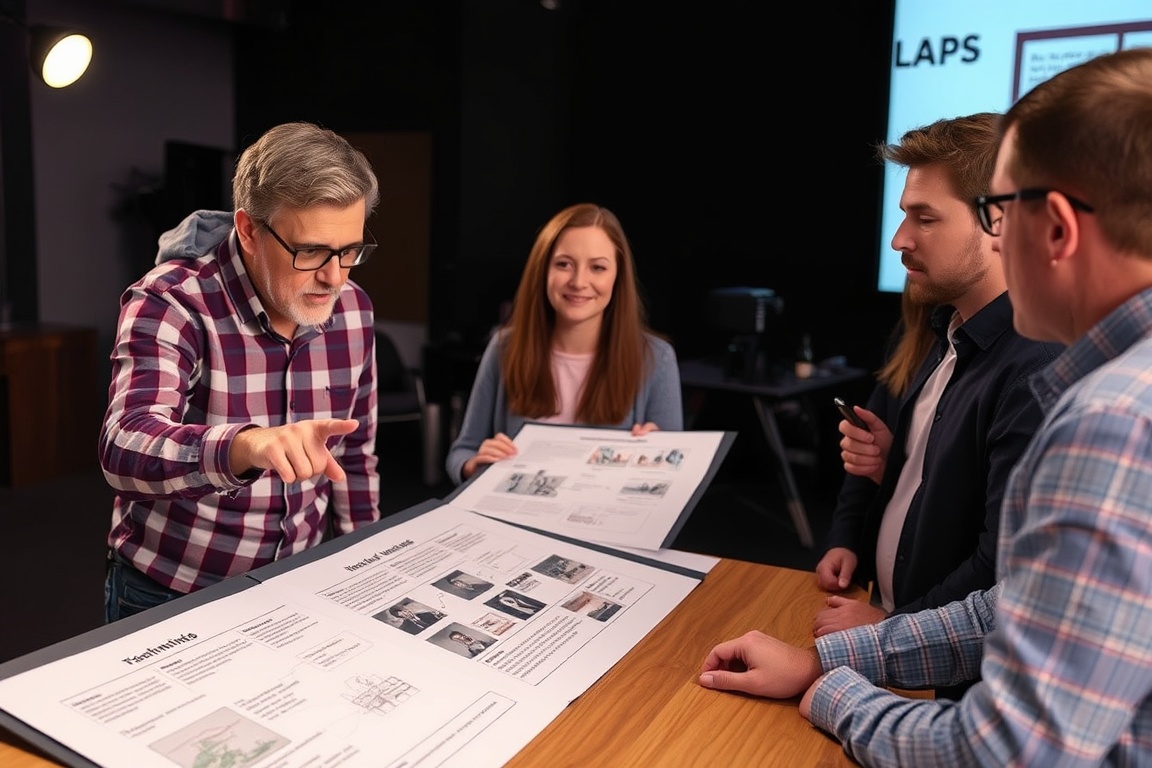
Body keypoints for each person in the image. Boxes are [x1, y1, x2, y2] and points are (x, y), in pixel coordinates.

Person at [699, 47, 1152, 765]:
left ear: (1057, 227)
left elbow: (1005, 754)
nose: (998, 237)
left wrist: (835, 693)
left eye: (1001, 211)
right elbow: (1019, 607)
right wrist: (834, 659)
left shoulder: (1114, 419)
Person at [100, 121, 382, 622]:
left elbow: (354, 455)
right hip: (172, 593)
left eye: (349, 251)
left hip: (298, 583)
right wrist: (246, 446)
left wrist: (368, 563)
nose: (334, 277)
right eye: (311, 250)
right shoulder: (172, 300)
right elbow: (123, 447)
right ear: (249, 229)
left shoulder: (354, 307)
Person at [813, 115, 1062, 659]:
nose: (900, 239)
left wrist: (889, 629)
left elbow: (1001, 575)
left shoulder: (1036, 368)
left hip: (938, 678)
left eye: (925, 218)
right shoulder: (942, 333)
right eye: (905, 216)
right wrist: (884, 473)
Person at [444, 203, 683, 485]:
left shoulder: (656, 358)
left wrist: (660, 457)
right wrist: (474, 464)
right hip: (515, 521)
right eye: (564, 264)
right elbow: (461, 453)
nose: (579, 281)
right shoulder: (504, 348)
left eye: (597, 267)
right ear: (543, 270)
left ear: (618, 277)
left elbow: (673, 477)